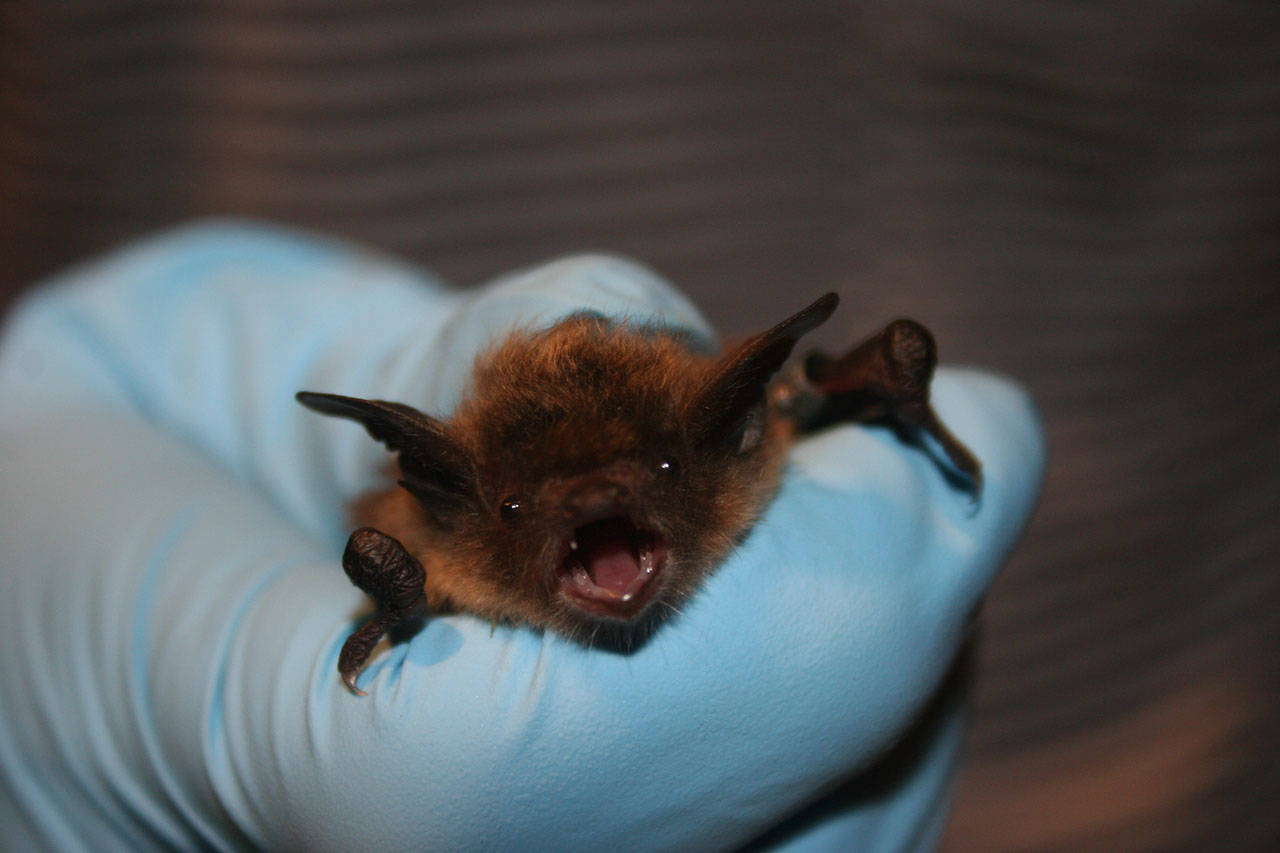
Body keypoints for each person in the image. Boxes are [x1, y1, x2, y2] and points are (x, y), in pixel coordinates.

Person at [0, 221, 1042, 850]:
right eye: (521, 506)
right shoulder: (425, 539)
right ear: (453, 497)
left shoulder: (754, 430)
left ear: (723, 431)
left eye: (659, 472)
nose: (592, 506)